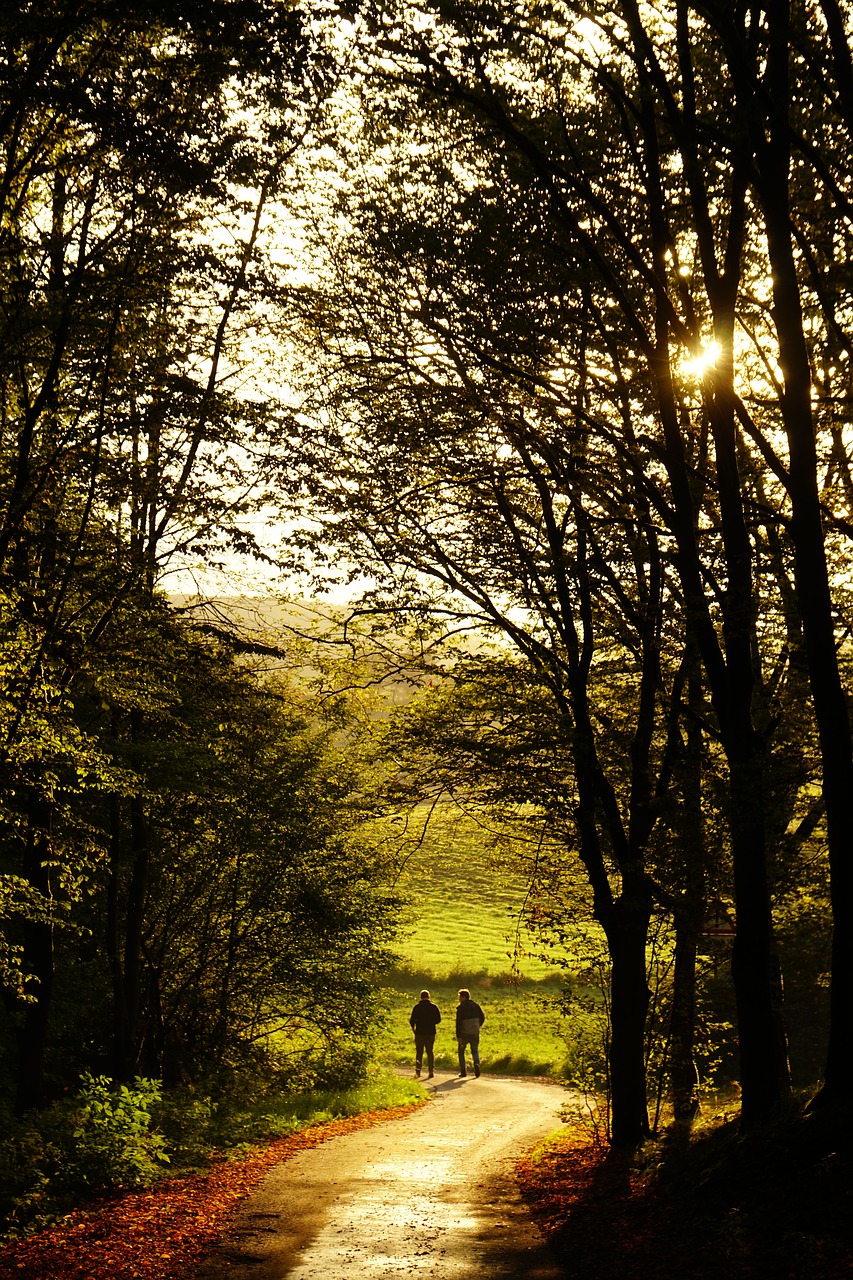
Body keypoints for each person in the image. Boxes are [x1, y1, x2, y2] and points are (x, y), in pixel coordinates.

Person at [409, 989, 441, 1078]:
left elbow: (412, 1021)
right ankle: (431, 1071)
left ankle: (418, 1071)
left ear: (420, 997)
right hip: (430, 1032)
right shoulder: (434, 1007)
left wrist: (413, 1029)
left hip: (419, 1033)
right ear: (429, 997)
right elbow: (438, 1020)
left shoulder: (417, 1007)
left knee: (419, 1052)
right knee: (430, 1052)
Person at [455, 988, 485, 1078]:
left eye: (459, 996)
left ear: (464, 997)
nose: (459, 998)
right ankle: (476, 1063)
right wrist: (478, 1026)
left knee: (461, 1052)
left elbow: (458, 1023)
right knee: (475, 1051)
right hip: (475, 1032)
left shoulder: (461, 1008)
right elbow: (482, 1017)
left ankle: (463, 1071)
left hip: (464, 1034)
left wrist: (458, 1035)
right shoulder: (476, 1006)